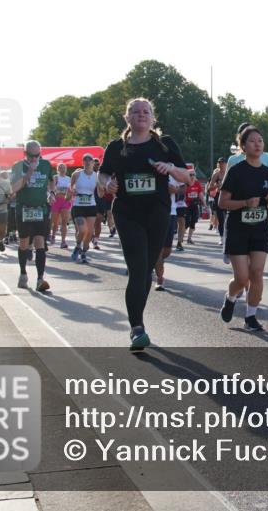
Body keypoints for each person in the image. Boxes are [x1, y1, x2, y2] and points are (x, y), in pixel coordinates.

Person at [99, 97, 191, 350]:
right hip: (127, 213)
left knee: (148, 268)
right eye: (135, 112)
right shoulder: (116, 147)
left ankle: (137, 318)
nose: (141, 115)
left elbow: (187, 178)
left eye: (146, 111)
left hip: (157, 212)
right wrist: (107, 183)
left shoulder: (165, 144)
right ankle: (137, 328)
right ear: (126, 117)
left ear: (153, 118)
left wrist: (170, 167)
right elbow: (103, 172)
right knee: (138, 268)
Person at [219, 126, 268, 331]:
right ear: (243, 146)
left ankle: (251, 316)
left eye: (260, 141)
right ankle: (230, 297)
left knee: (257, 272)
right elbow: (222, 202)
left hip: (260, 229)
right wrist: (245, 202)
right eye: (253, 141)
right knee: (242, 278)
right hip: (238, 229)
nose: (257, 144)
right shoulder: (236, 171)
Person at [10, 141, 56, 293]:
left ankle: (40, 279)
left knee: (40, 243)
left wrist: (52, 193)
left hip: (40, 209)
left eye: (38, 155)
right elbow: (13, 189)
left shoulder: (46, 164)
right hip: (23, 209)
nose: (35, 159)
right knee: (23, 244)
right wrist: (28, 173)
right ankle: (23, 273)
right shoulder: (18, 166)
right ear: (25, 154)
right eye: (32, 156)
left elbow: (51, 180)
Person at [69, 153, 99, 263]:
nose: (87, 162)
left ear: (93, 163)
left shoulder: (96, 175)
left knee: (90, 232)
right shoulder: (76, 175)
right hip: (78, 206)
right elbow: (70, 187)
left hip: (91, 205)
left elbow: (99, 190)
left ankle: (84, 252)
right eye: (85, 160)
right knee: (82, 230)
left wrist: (102, 190)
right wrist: (72, 190)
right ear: (83, 163)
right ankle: (78, 246)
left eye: (89, 160)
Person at [154, 176, 181, 292]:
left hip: (171, 212)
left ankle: (155, 260)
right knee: (158, 250)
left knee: (167, 250)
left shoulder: (173, 171)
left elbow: (180, 188)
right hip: (154, 212)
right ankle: (159, 279)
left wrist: (174, 188)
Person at [50, 163, 73, 249]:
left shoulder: (69, 179)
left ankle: (63, 241)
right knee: (55, 222)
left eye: (63, 167)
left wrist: (70, 194)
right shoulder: (55, 177)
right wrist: (57, 190)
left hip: (65, 201)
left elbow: (71, 189)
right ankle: (53, 235)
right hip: (56, 201)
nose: (62, 168)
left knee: (64, 222)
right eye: (60, 167)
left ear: (66, 169)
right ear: (57, 169)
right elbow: (52, 189)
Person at [184, 168, 204, 245]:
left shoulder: (197, 183)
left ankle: (189, 238)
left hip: (195, 205)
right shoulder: (185, 184)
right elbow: (183, 195)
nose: (192, 176)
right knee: (186, 222)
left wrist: (204, 204)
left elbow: (201, 194)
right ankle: (181, 237)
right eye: (190, 175)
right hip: (186, 205)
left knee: (193, 222)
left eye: (193, 174)